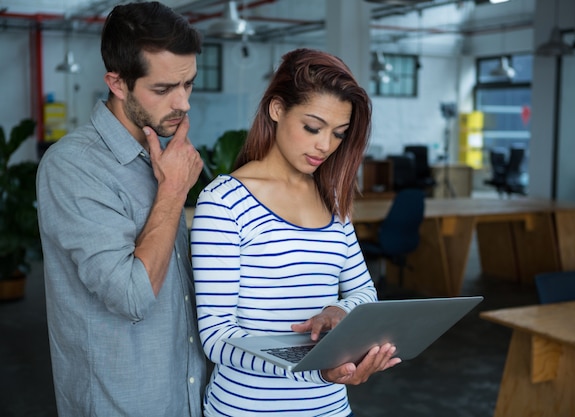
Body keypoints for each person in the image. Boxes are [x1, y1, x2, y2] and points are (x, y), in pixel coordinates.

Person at [190, 48, 401, 417]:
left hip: (331, 410)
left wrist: (340, 309)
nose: (326, 145)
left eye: (339, 133)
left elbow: (363, 291)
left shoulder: (332, 196)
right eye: (312, 127)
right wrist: (315, 368)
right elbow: (217, 337)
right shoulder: (223, 201)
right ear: (276, 109)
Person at [36, 2, 207, 415]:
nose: (182, 103)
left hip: (187, 395)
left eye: (188, 84)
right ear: (117, 83)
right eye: (164, 89)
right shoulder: (72, 166)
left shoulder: (165, 156)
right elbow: (132, 296)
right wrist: (173, 192)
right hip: (123, 402)